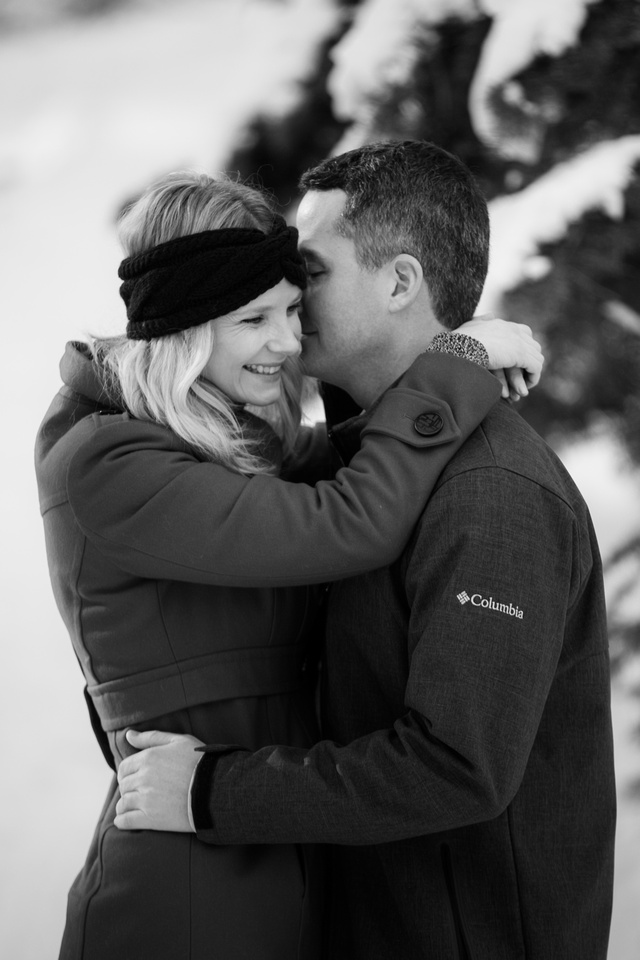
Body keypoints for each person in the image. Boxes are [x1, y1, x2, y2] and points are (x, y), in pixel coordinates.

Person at [116, 141, 616, 960]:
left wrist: (213, 792)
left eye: (307, 270)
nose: (279, 292)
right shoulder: (362, 463)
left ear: (399, 282)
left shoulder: (493, 494)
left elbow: (456, 766)